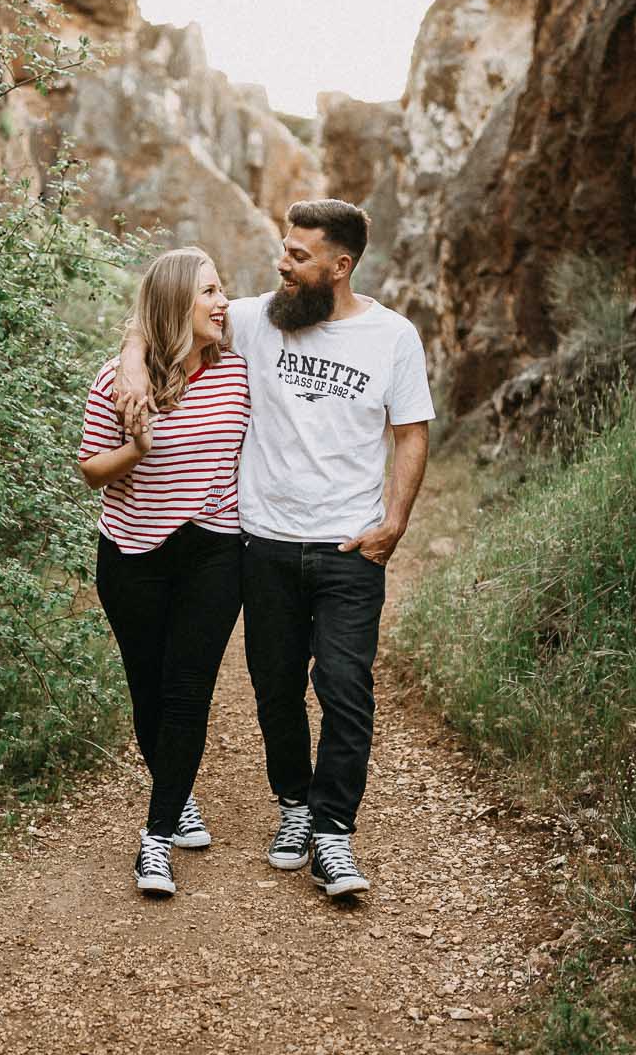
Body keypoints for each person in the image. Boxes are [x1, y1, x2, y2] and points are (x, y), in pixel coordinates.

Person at [117, 199, 432, 898]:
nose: (281, 265)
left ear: (340, 265)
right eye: (283, 250)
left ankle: (333, 833)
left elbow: (410, 431)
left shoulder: (392, 337)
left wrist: (397, 521)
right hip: (261, 544)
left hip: (350, 545)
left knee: (345, 688)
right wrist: (132, 362)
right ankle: (295, 805)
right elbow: (159, 311)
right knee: (275, 689)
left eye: (298, 255)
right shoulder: (259, 320)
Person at [77, 247, 250, 897]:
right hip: (130, 556)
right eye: (207, 291)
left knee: (187, 689)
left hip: (213, 550)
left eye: (222, 287)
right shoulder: (116, 383)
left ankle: (156, 835)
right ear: (178, 303)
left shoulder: (237, 372)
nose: (222, 301)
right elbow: (91, 468)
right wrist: (137, 447)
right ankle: (177, 792)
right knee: (148, 691)